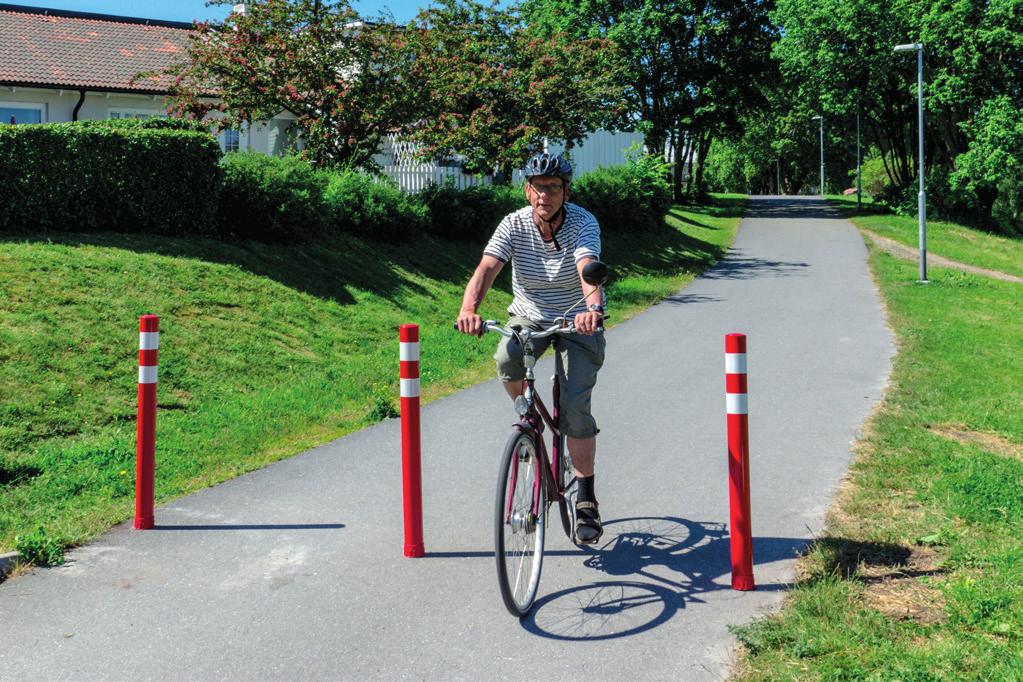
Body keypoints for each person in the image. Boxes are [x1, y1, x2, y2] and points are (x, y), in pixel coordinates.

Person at [455, 152, 606, 544]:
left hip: (576, 317)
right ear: (527, 190)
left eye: (553, 187)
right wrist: (469, 308)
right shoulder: (513, 224)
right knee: (506, 357)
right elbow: (488, 267)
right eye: (538, 187)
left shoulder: (582, 222)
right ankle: (528, 422)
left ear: (566, 192)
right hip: (529, 315)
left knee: (575, 409)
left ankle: (586, 495)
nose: (545, 195)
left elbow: (586, 265)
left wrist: (593, 308)